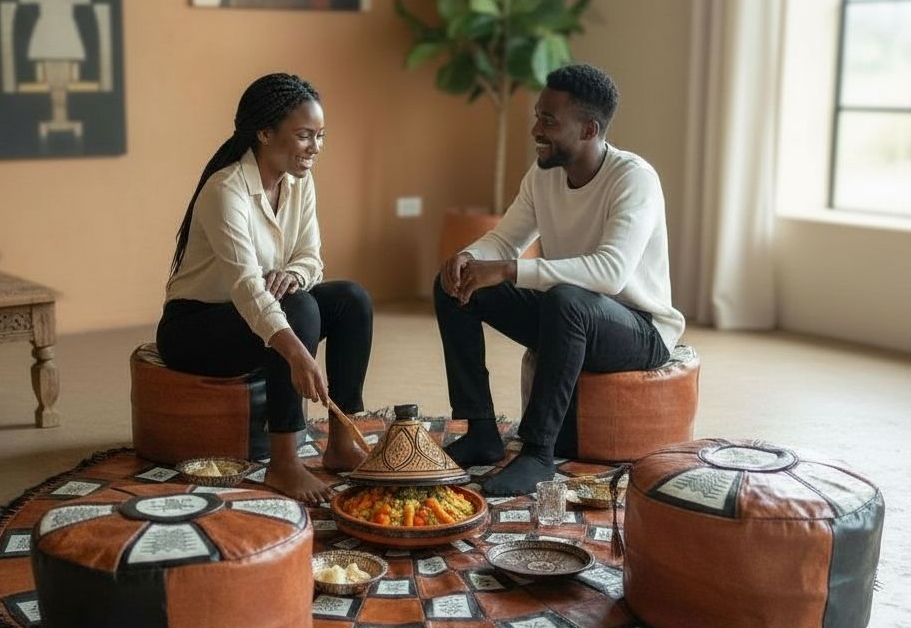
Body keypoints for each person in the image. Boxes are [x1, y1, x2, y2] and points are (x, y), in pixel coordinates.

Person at [434, 63, 685, 497]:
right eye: (538, 115)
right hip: (567, 315)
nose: (535, 128)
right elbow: (505, 239)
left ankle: (537, 452)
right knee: (456, 286)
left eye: (548, 120)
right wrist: (470, 257)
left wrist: (510, 270)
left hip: (638, 330)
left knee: (567, 299)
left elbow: (610, 272)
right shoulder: (543, 174)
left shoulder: (634, 179)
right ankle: (480, 432)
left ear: (589, 129)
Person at [157, 72, 372, 504]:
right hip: (195, 326)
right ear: (264, 132)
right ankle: (284, 463)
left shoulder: (299, 180)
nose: (316, 147)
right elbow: (246, 289)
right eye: (304, 136)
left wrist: (294, 274)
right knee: (301, 312)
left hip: (263, 306)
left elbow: (311, 256)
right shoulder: (225, 191)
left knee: (352, 299)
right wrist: (296, 353)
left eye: (321, 136)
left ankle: (343, 439)